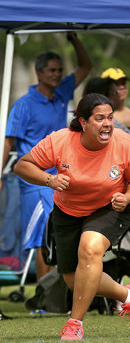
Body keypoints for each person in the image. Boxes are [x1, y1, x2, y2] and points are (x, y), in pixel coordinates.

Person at [13, 94, 130, 341]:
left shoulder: (125, 143)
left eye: (110, 117)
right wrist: (50, 179)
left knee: (89, 248)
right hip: (68, 211)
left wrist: (127, 197)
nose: (107, 123)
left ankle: (74, 324)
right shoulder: (60, 141)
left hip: (111, 207)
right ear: (83, 122)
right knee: (75, 281)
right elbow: (22, 165)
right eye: (99, 118)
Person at [1, 32, 92, 281]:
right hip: (34, 178)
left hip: (62, 176)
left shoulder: (63, 93)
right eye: (52, 70)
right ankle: (44, 295)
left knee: (61, 232)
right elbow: (8, 141)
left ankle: (59, 293)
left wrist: (73, 39)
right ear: (39, 73)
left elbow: (86, 66)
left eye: (59, 70)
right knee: (44, 234)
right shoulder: (24, 104)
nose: (57, 74)